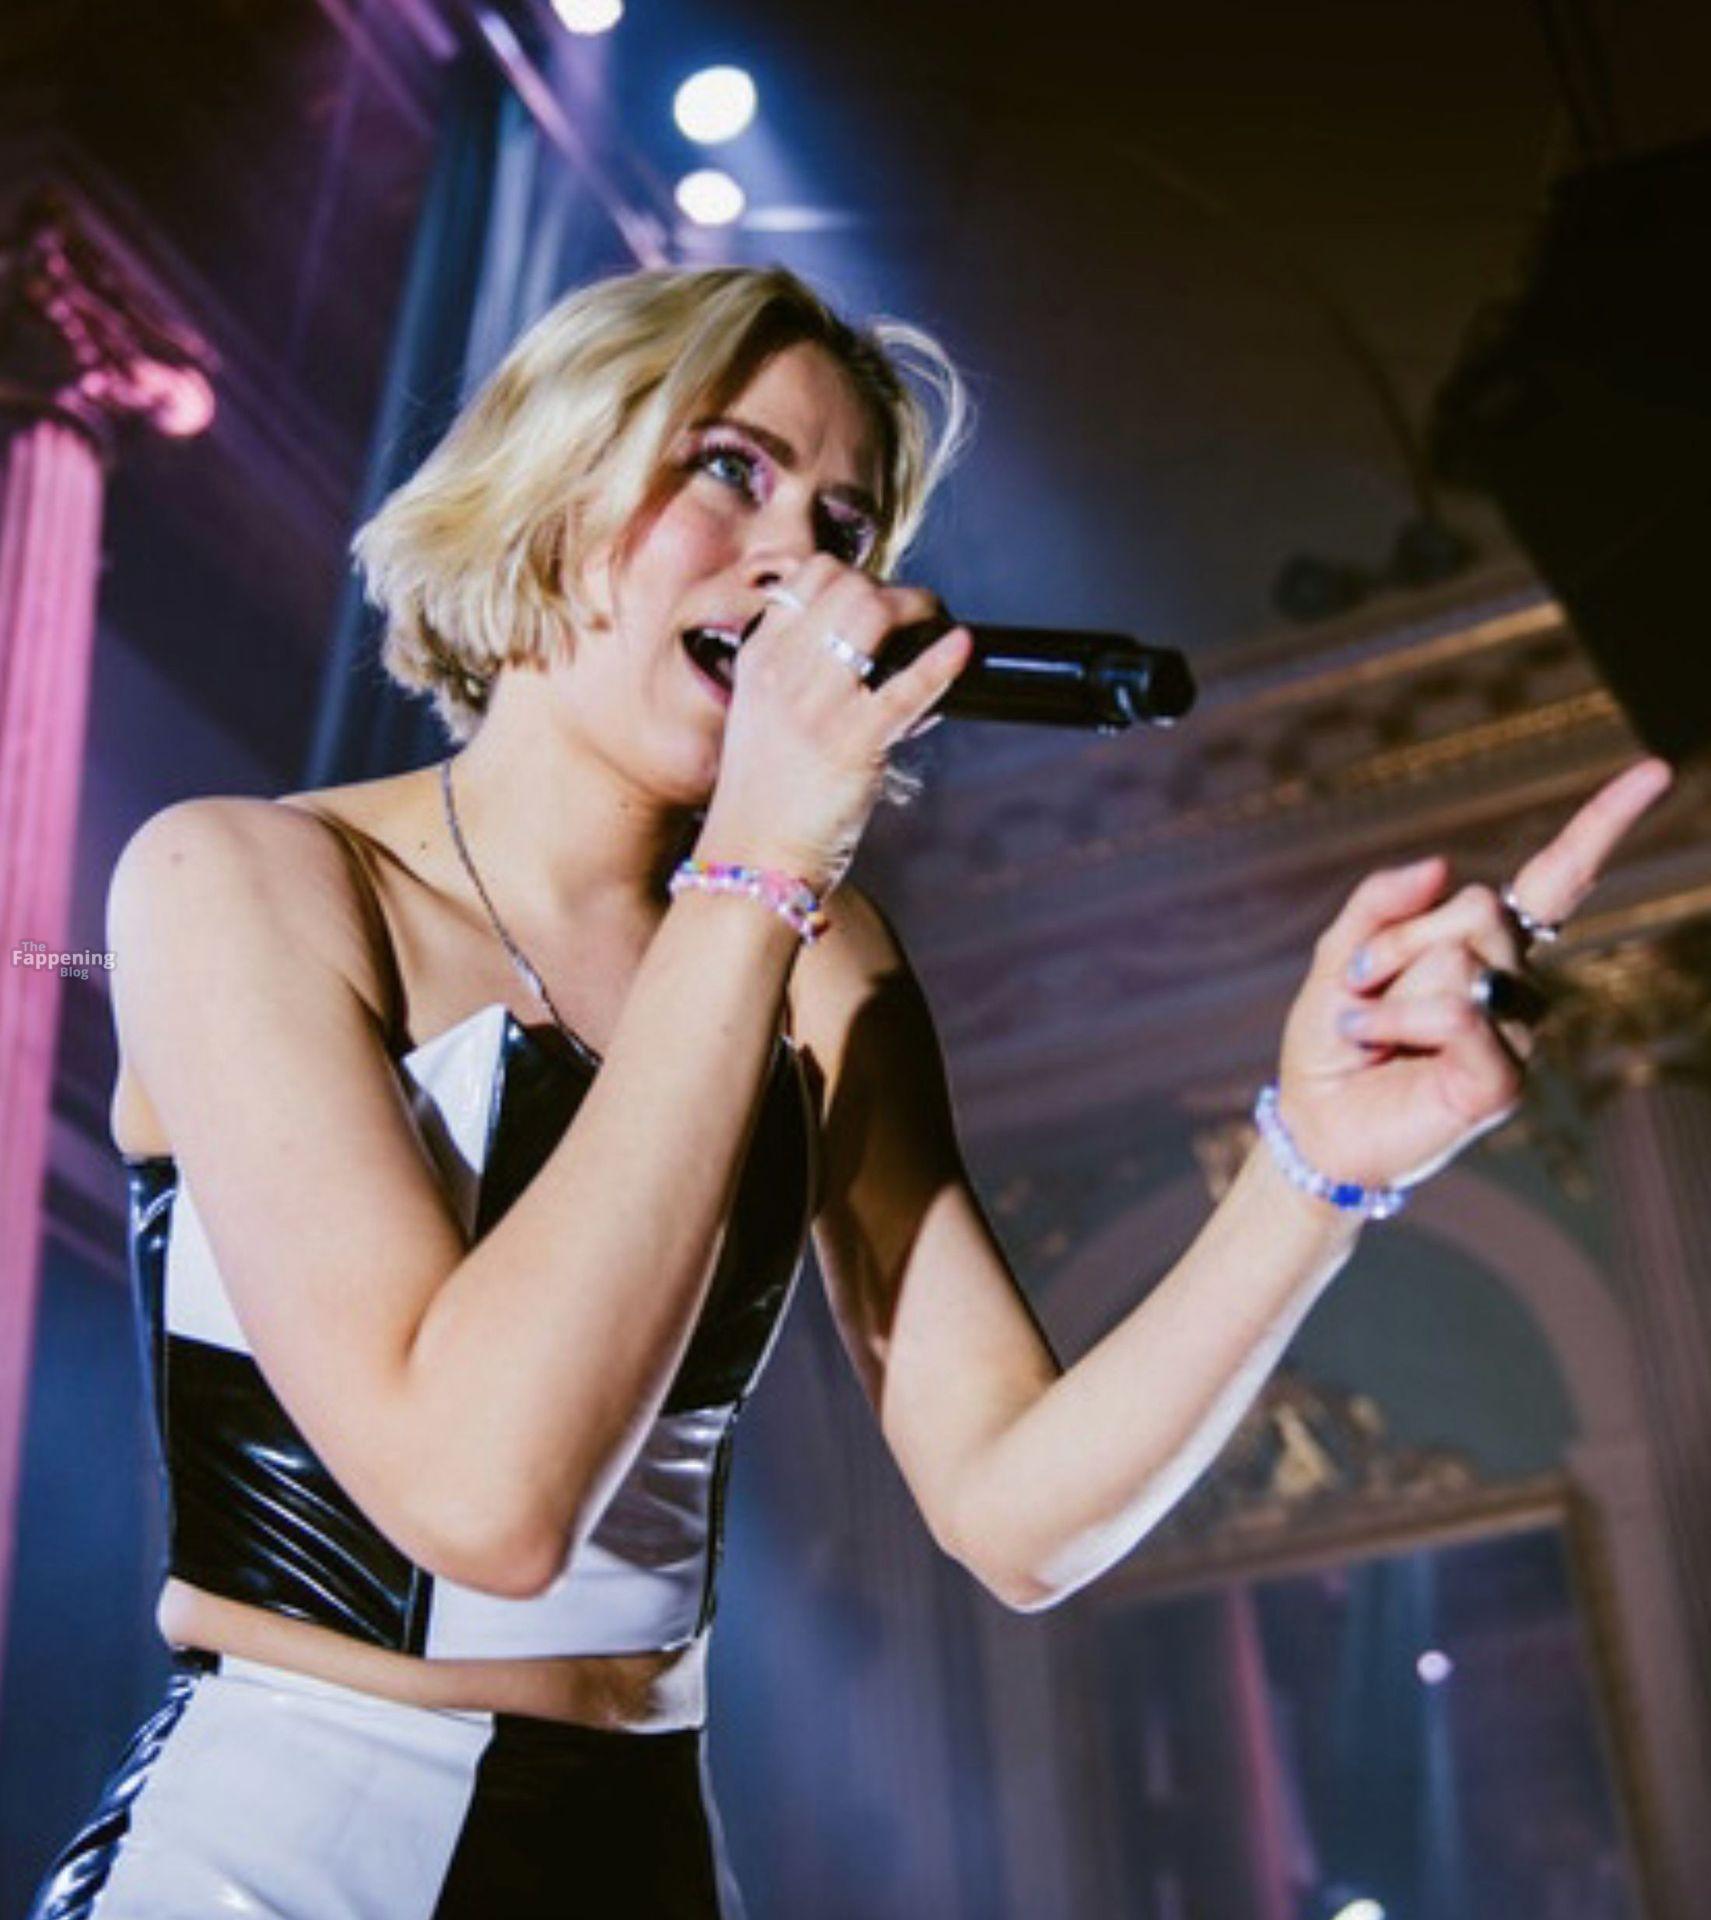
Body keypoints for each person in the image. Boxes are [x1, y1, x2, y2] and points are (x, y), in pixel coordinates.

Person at [27, 262, 1671, 1919]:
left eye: (844, 523)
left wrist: (1313, 1166)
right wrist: (756, 868)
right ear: (550, 491)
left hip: (647, 1843)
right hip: (289, 1848)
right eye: (728, 468)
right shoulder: (247, 880)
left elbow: (1017, 1511)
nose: (799, 563)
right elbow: (483, 1499)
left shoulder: (815, 958)